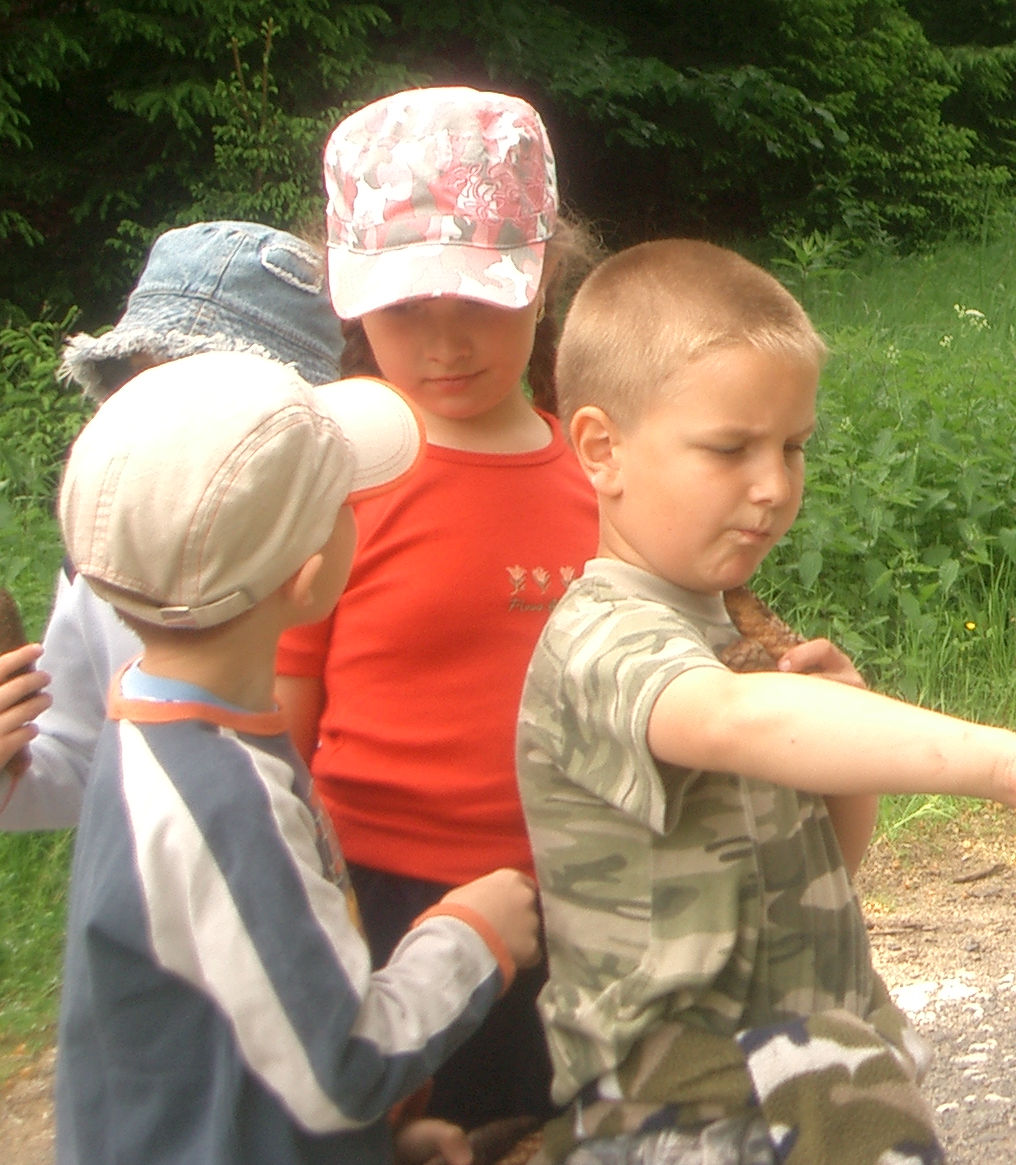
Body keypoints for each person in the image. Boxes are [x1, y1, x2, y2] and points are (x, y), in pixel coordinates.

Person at [519, 238, 1016, 1165]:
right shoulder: (602, 640)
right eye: (730, 448)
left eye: (792, 447)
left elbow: (829, 868)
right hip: (687, 1111)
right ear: (602, 449)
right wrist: (1011, 767)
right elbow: (728, 721)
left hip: (811, 1083)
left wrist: (846, 742)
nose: (772, 486)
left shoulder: (737, 631)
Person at [53, 350, 542, 1165]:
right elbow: (335, 1068)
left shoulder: (148, 721)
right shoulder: (224, 801)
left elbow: (241, 1010)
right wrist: (471, 936)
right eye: (348, 503)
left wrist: (367, 1142)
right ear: (309, 579)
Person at [277, 87, 601, 1131]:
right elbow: (279, 720)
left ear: (544, 279)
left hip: (589, 888)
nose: (447, 343)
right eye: (408, 309)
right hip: (386, 904)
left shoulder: (602, 476)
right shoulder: (328, 482)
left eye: (481, 302)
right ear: (351, 301)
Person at [0, 219, 345, 831]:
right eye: (146, 384)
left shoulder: (348, 543)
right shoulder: (107, 560)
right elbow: (82, 761)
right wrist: (9, 764)